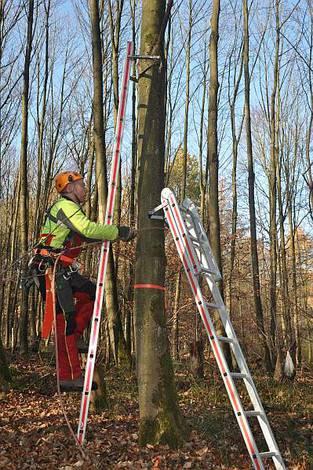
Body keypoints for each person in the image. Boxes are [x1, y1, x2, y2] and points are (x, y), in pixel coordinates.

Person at [35, 171, 136, 391]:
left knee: (91, 293)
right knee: (64, 322)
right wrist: (118, 231)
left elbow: (87, 234)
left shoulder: (71, 211)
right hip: (52, 270)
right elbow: (87, 228)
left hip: (62, 269)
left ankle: (75, 334)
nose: (84, 189)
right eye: (81, 185)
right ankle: (68, 376)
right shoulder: (65, 207)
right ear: (69, 188)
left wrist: (114, 235)